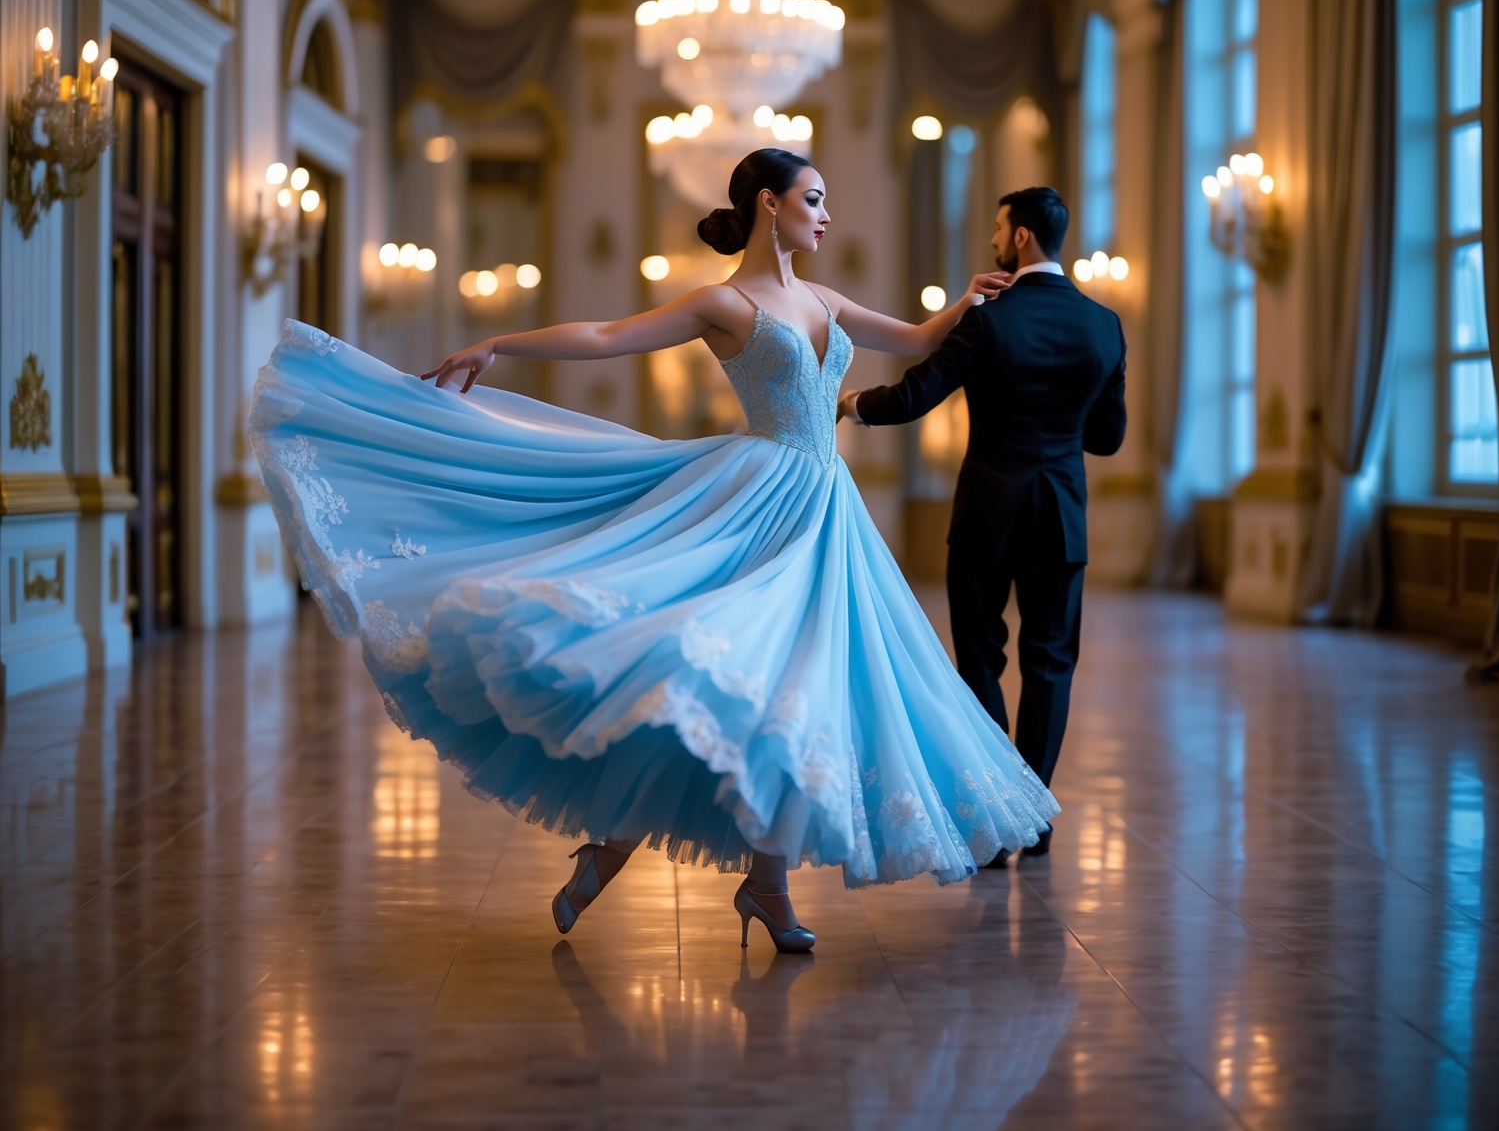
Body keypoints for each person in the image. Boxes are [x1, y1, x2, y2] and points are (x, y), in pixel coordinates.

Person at [248, 149, 1057, 954]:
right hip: (757, 499)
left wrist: (967, 301)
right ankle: (620, 849)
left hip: (826, 510)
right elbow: (607, 336)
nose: (827, 214)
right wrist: (500, 344)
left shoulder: (824, 299)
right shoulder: (726, 302)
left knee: (792, 692)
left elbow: (916, 338)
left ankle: (759, 884)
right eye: (814, 198)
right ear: (770, 204)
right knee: (704, 678)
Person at [839, 187, 1126, 864]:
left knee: (980, 658)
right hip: (1060, 511)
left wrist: (848, 401)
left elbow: (915, 396)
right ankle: (1037, 815)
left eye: (1000, 229)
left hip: (988, 511)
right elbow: (1108, 438)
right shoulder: (1105, 324)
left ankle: (1001, 813)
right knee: (1051, 662)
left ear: (1022, 237)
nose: (995, 241)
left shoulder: (988, 318)